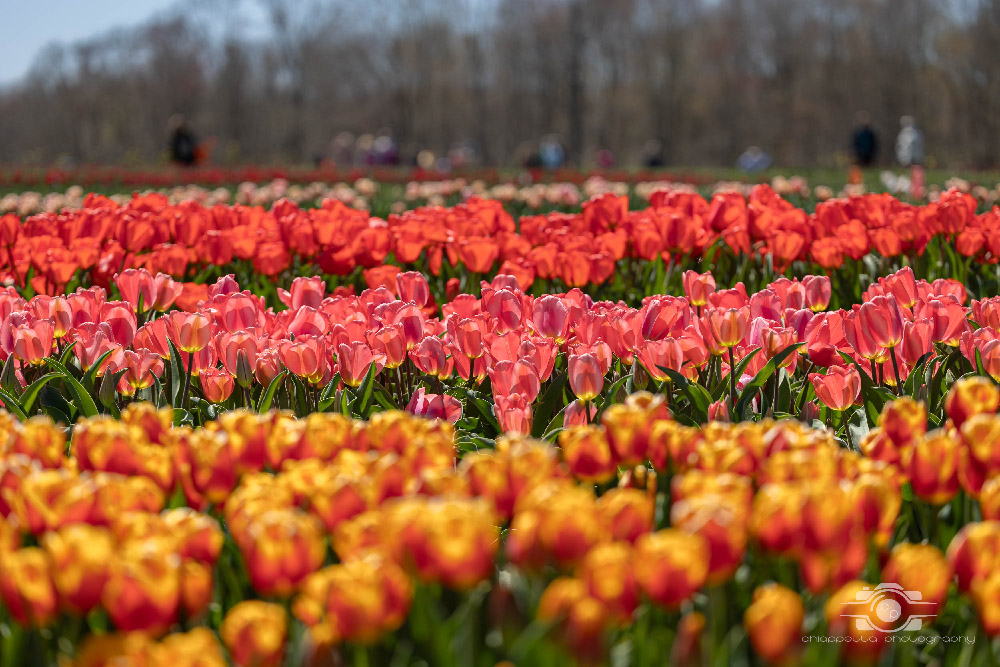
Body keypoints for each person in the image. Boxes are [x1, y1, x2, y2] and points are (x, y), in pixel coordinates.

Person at [895, 116, 925, 199]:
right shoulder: (917, 133)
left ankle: (912, 192)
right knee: (914, 175)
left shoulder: (904, 135)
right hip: (915, 158)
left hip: (907, 158)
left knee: (909, 174)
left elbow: (903, 148)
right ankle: (913, 191)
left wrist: (903, 158)